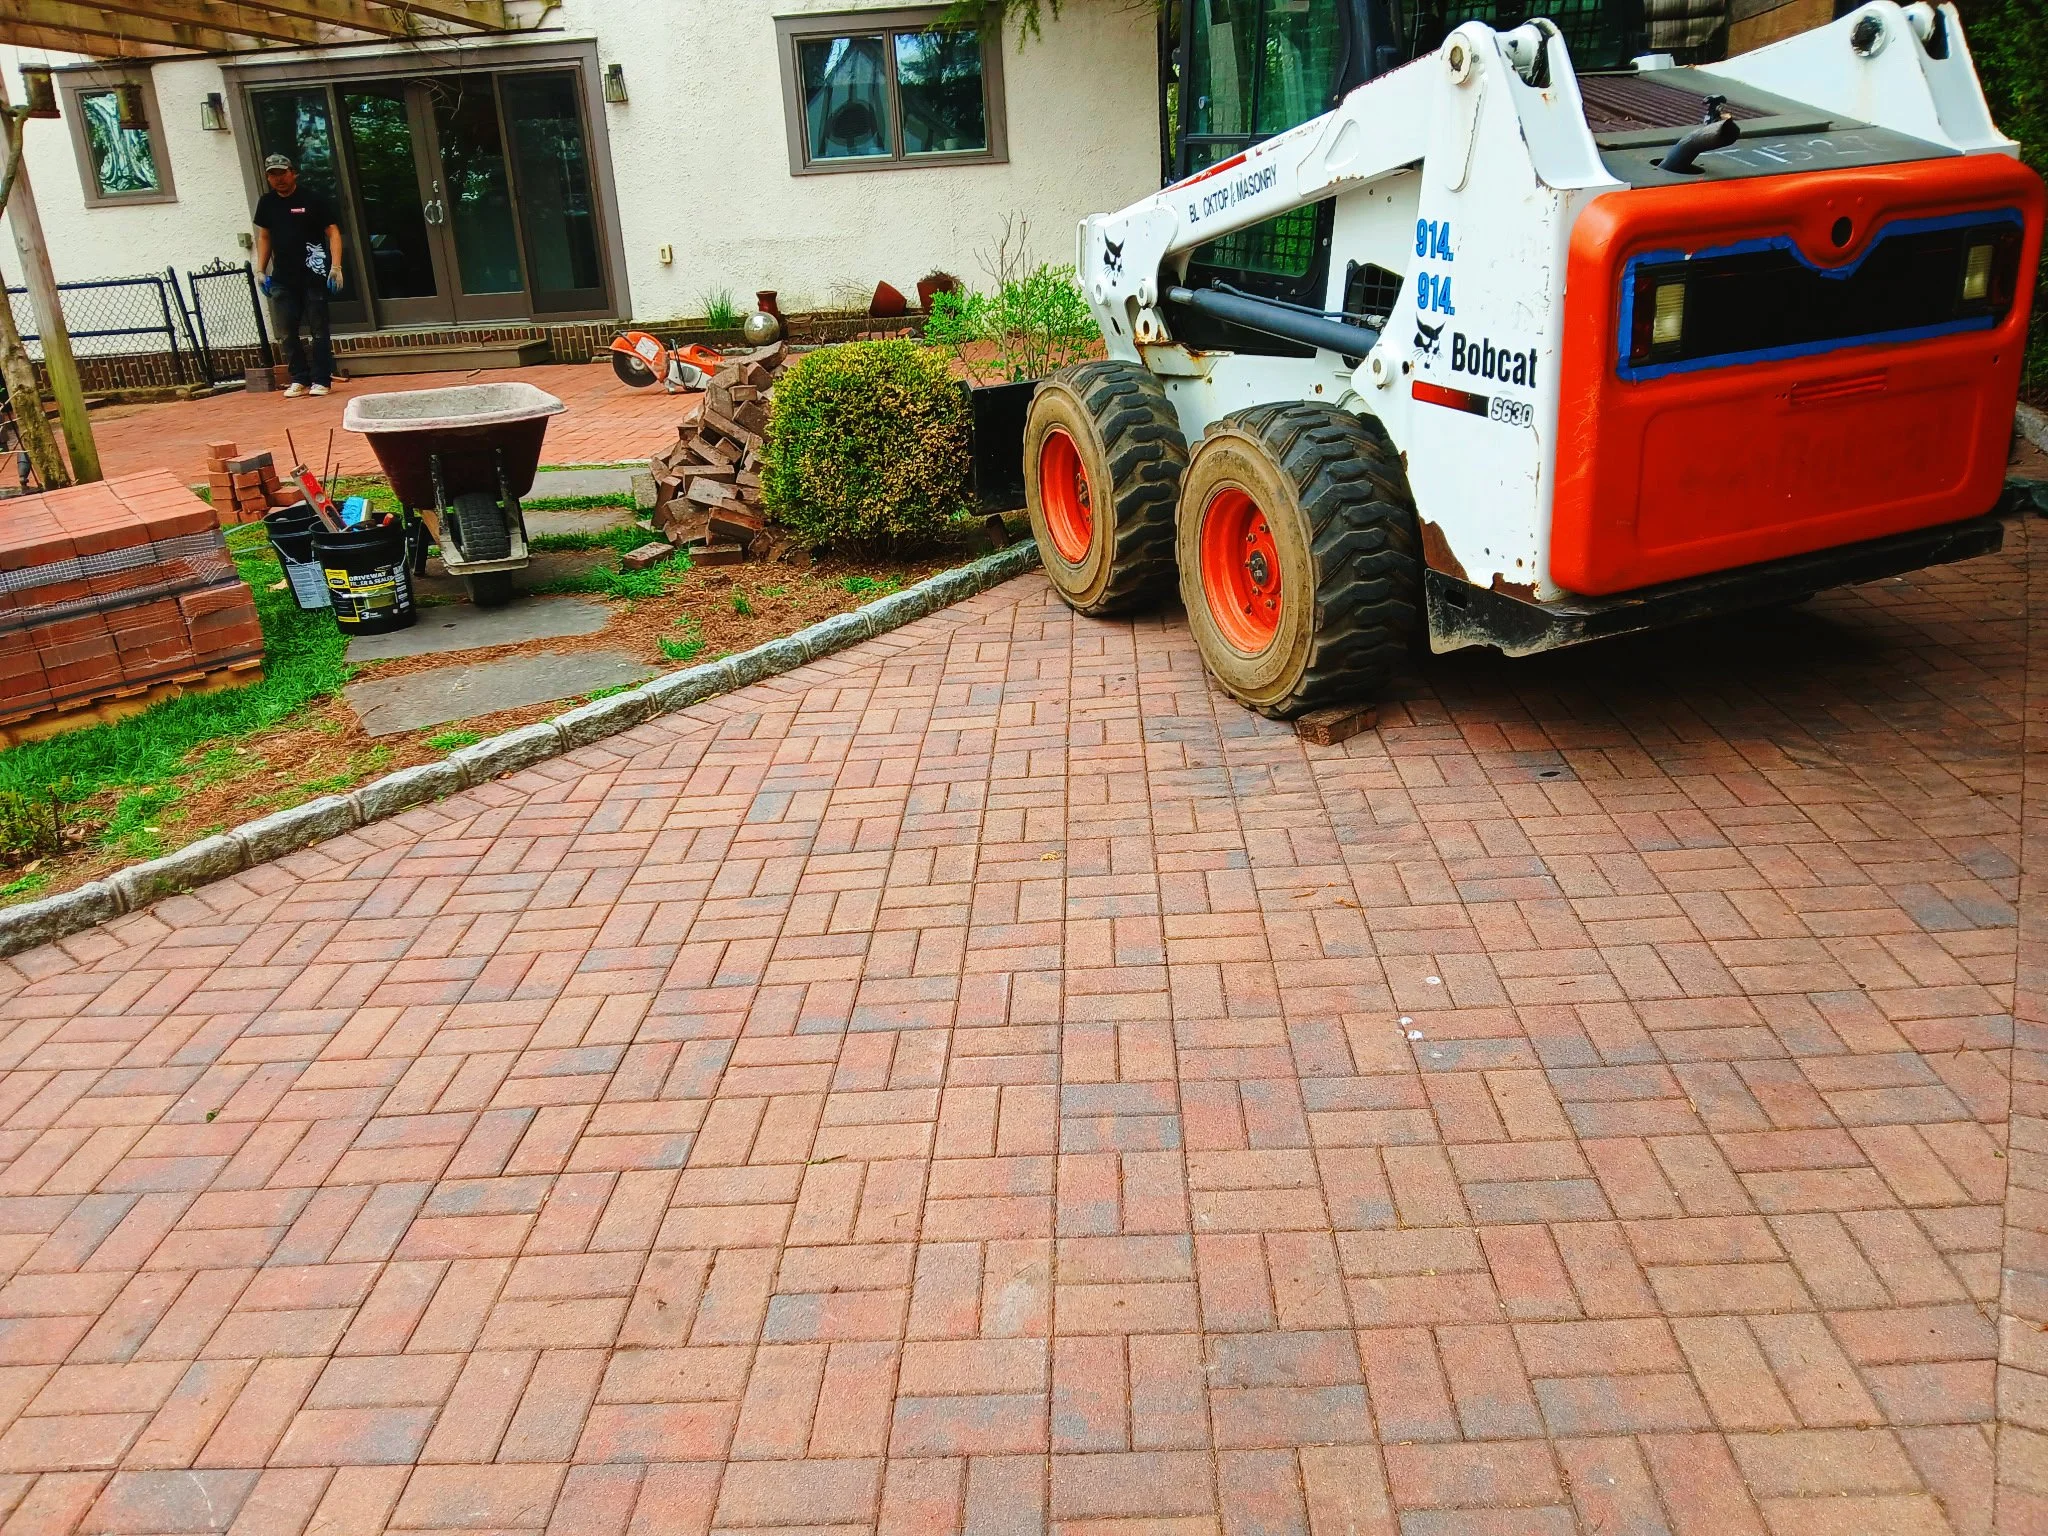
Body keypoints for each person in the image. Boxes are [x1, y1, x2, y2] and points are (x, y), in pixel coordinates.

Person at [252, 153, 343, 398]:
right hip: (282, 277)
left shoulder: (312, 199)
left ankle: (321, 379)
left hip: (313, 274)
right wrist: (260, 270)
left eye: (282, 173)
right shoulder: (267, 203)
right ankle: (299, 378)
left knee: (318, 330)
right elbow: (264, 236)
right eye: (273, 174)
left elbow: (333, 232)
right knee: (287, 332)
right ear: (268, 178)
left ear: (293, 173)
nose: (278, 178)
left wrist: (336, 267)